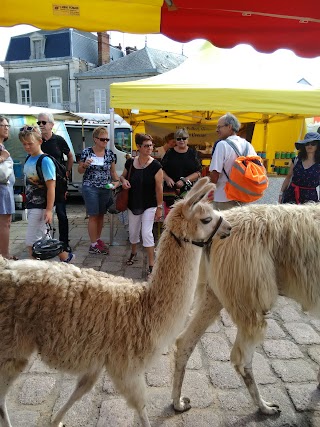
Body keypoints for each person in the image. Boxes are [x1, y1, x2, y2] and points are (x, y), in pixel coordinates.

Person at [19, 126, 74, 262]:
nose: (27, 147)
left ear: (39, 141)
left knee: (31, 242)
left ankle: (34, 270)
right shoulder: (28, 159)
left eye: (30, 143)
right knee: (44, 237)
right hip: (32, 205)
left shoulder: (45, 161)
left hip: (41, 206)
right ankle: (66, 257)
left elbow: (51, 187)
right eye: (24, 144)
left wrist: (49, 210)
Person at [120, 133, 163, 277]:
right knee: (133, 232)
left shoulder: (156, 165)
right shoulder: (130, 162)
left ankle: (152, 264)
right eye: (146, 146)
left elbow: (159, 188)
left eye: (151, 145)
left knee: (146, 233)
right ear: (138, 147)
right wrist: (123, 181)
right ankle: (133, 252)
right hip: (133, 203)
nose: (150, 148)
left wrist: (159, 207)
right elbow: (122, 176)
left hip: (150, 204)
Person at [78, 126, 120, 255]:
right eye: (103, 139)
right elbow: (79, 170)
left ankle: (97, 240)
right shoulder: (87, 152)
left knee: (101, 214)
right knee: (93, 215)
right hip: (90, 187)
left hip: (105, 188)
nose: (105, 142)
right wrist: (85, 165)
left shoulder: (110, 154)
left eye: (107, 139)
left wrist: (117, 182)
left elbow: (112, 172)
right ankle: (93, 244)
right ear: (95, 139)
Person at [37, 112, 73, 252]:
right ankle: (45, 241)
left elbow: (70, 156)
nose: (41, 125)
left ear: (51, 125)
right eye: (38, 123)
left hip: (58, 184)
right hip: (42, 185)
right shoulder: (37, 141)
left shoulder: (58, 140)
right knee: (43, 214)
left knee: (62, 214)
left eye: (43, 122)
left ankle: (64, 242)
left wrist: (67, 171)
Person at [209, 112, 257, 211]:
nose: (217, 130)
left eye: (219, 127)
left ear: (229, 127)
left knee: (223, 225)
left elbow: (215, 173)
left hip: (223, 196)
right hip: (243, 196)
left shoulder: (222, 145)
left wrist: (208, 190)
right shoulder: (248, 145)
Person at [161, 128, 202, 209]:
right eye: (178, 139)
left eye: (184, 138)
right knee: (172, 214)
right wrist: (167, 178)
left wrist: (185, 180)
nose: (181, 140)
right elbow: (161, 169)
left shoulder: (193, 153)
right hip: (171, 190)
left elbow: (199, 172)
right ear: (175, 140)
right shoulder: (169, 153)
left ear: (188, 139)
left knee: (188, 214)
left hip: (189, 190)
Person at [279, 132, 320, 204]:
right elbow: (288, 178)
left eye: (313, 143)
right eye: (307, 143)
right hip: (291, 195)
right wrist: (281, 194)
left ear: (318, 146)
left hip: (310, 198)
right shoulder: (296, 160)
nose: (310, 146)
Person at [0, 116, 17, 260]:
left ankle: (4, 253)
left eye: (7, 125)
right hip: (2, 189)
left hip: (6, 189)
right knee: (5, 223)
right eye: (3, 125)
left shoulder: (2, 146)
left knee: (6, 222)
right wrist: (2, 157)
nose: (6, 128)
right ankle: (4, 254)